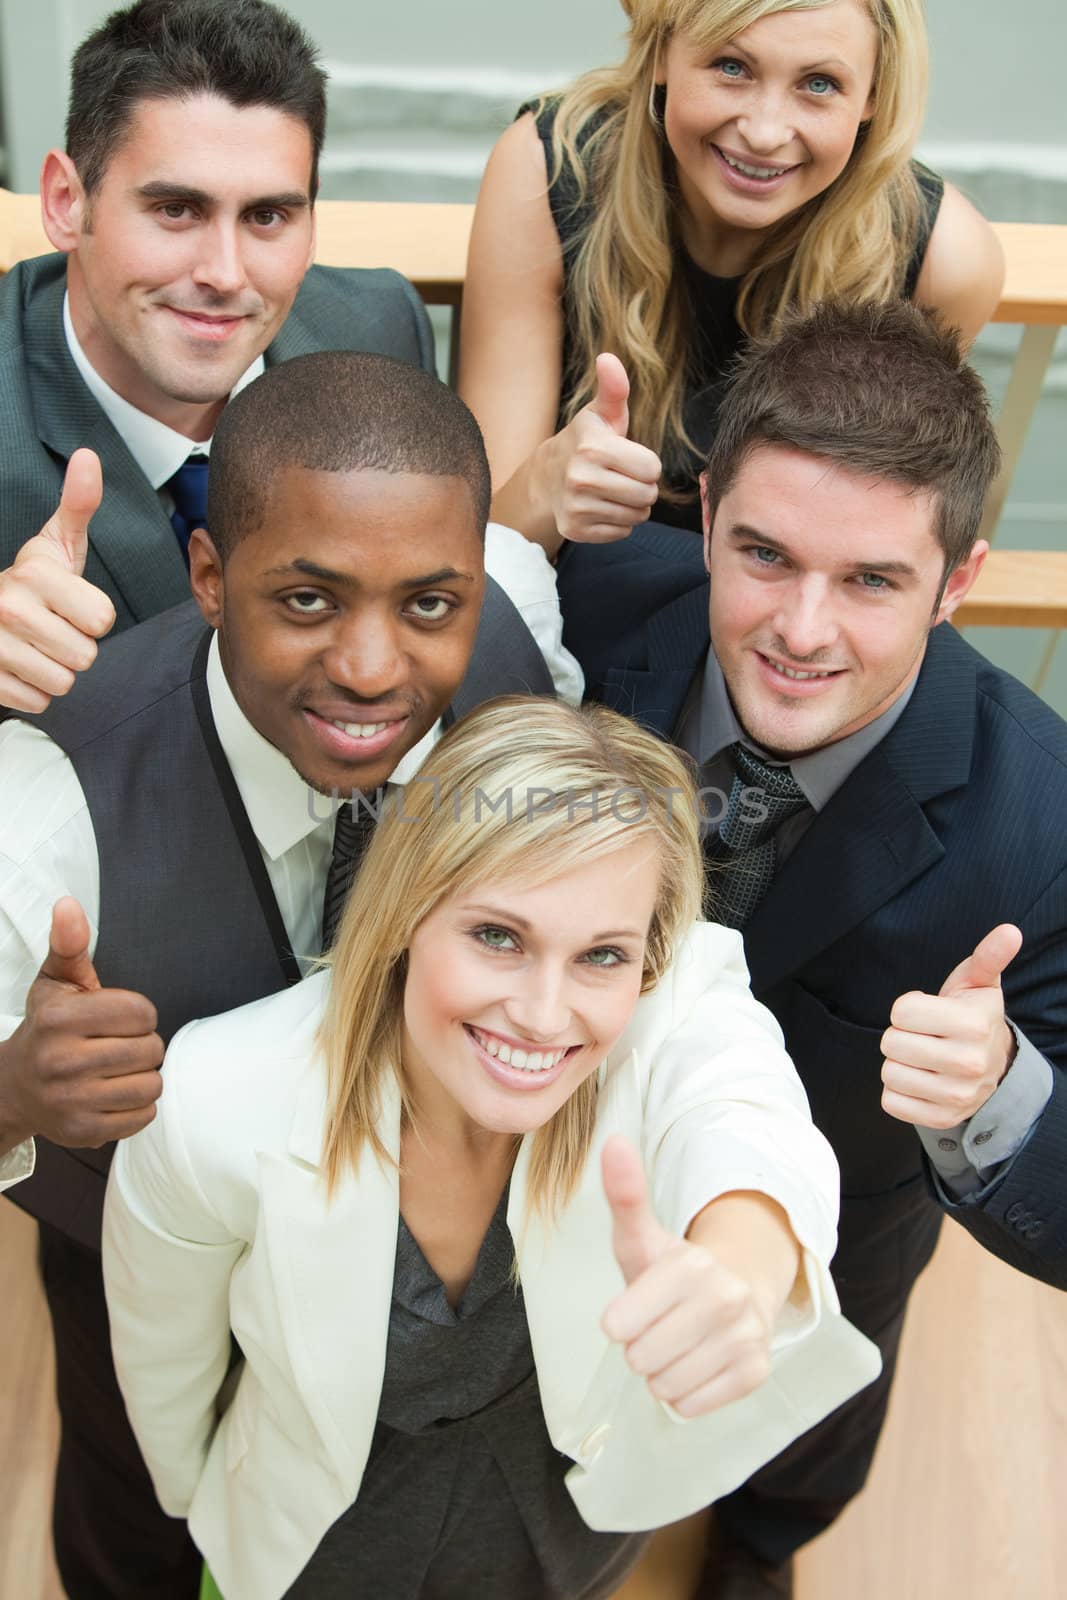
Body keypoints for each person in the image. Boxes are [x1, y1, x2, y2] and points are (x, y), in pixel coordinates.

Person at [0, 352, 580, 1599]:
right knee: (129, 1507)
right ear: (209, 577)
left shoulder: (518, 657)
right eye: (307, 601)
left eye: (430, 604)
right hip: (129, 1256)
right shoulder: (49, 787)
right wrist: (9, 1091)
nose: (374, 669)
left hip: (413, 1250)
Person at [102, 694, 880, 1600]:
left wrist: (740, 1265)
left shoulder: (671, 1006)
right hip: (316, 1530)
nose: (546, 1017)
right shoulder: (216, 1099)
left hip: (561, 1518)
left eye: (601, 956)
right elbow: (165, 1359)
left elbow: (743, 1111)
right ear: (402, 912)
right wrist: (209, 1508)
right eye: (497, 936)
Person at [556, 299, 1067, 1597]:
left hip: (835, 1251)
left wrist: (996, 1090)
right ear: (708, 507)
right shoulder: (584, 616)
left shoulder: (1042, 821)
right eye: (764, 555)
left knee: (792, 1462)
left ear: (957, 581)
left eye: (870, 581)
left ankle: (754, 1547)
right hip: (553, 1172)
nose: (797, 629)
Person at [0, 0, 435, 715]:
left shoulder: (376, 331)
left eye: (267, 217)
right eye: (177, 209)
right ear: (65, 202)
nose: (225, 274)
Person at [458, 0, 1005, 555]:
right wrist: (545, 487)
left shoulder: (943, 259)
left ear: (872, 97)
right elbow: (482, 548)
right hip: (572, 583)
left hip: (783, 605)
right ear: (661, 54)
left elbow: (880, 537)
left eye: (819, 83)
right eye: (731, 67)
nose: (765, 133)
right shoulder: (554, 168)